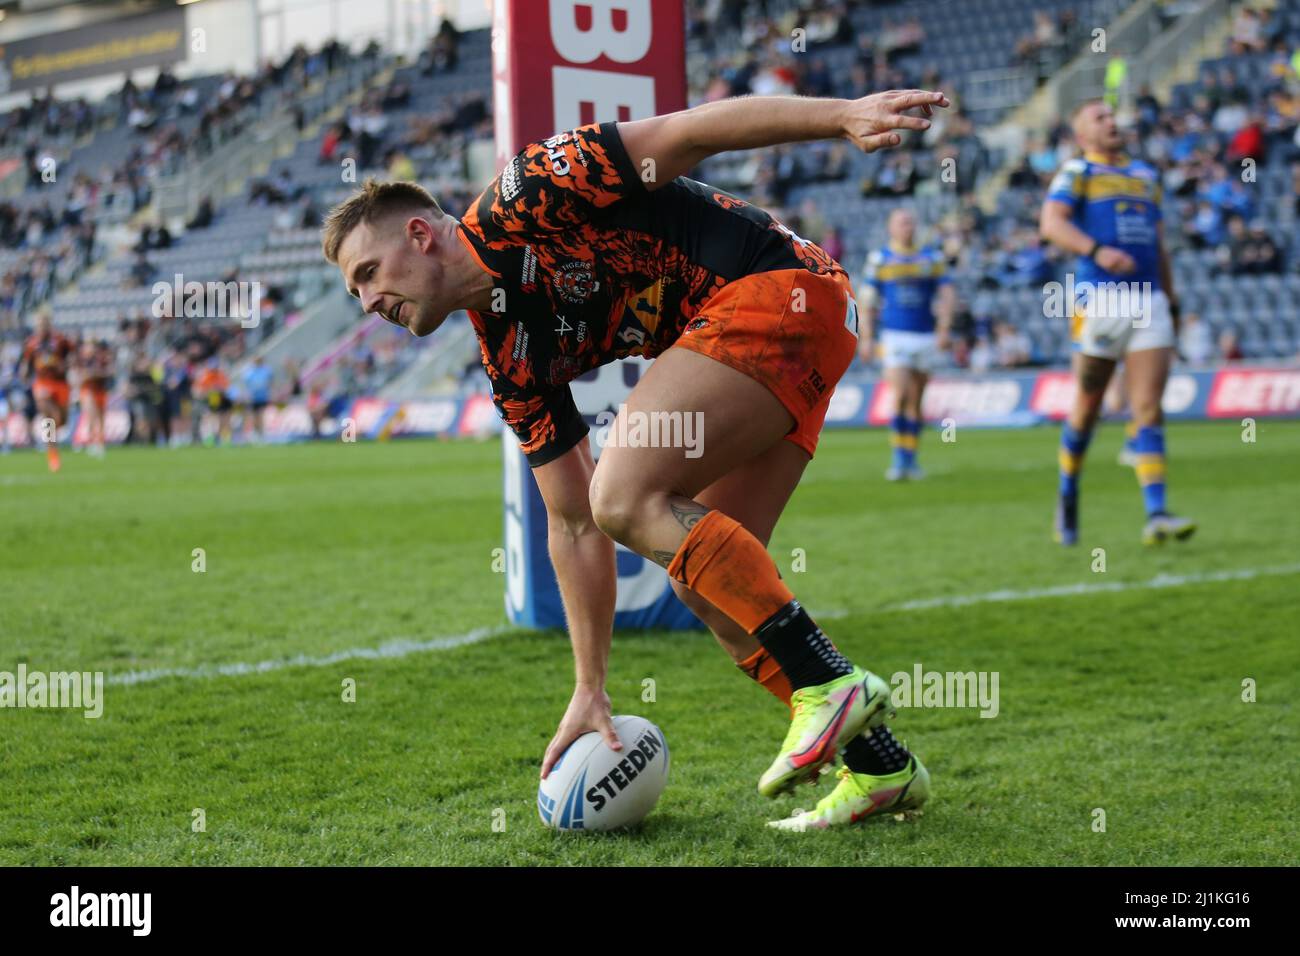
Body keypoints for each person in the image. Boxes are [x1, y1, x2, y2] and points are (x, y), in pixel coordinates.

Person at [323, 90, 951, 830]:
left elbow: (687, 133)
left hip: (781, 292)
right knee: (708, 592)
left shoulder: (527, 193)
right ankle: (881, 767)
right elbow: (571, 525)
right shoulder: (509, 360)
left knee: (622, 488)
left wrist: (840, 115)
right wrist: (591, 686)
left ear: (421, 235)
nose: (366, 302)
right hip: (786, 340)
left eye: (367, 273)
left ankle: (828, 682)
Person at [1040, 100, 1196, 547]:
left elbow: (1160, 244)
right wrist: (1096, 251)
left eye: (1113, 115)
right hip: (1100, 299)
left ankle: (1156, 513)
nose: (1112, 122)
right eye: (1099, 118)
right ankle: (1068, 492)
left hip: (1149, 300)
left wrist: (1171, 297)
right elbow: (1051, 223)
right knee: (1088, 408)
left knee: (1148, 408)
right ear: (1082, 134)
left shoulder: (1147, 176)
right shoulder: (1078, 172)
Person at [858, 208, 954, 480]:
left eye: (910, 221)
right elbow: (867, 300)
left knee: (916, 400)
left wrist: (944, 327)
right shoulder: (880, 260)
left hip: (925, 336)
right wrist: (867, 338)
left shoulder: (931, 258)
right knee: (900, 395)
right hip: (894, 336)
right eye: (901, 222)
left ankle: (911, 458)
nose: (907, 227)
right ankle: (899, 459)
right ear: (891, 227)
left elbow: (947, 294)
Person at [20, 310, 73, 472]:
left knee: (62, 420)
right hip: (42, 383)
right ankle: (52, 453)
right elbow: (27, 363)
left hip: (60, 383)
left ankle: (49, 440)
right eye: (39, 325)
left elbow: (72, 356)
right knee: (50, 416)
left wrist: (65, 365)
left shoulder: (60, 340)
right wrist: (24, 374)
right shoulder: (31, 343)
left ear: (49, 325)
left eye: (45, 324)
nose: (42, 328)